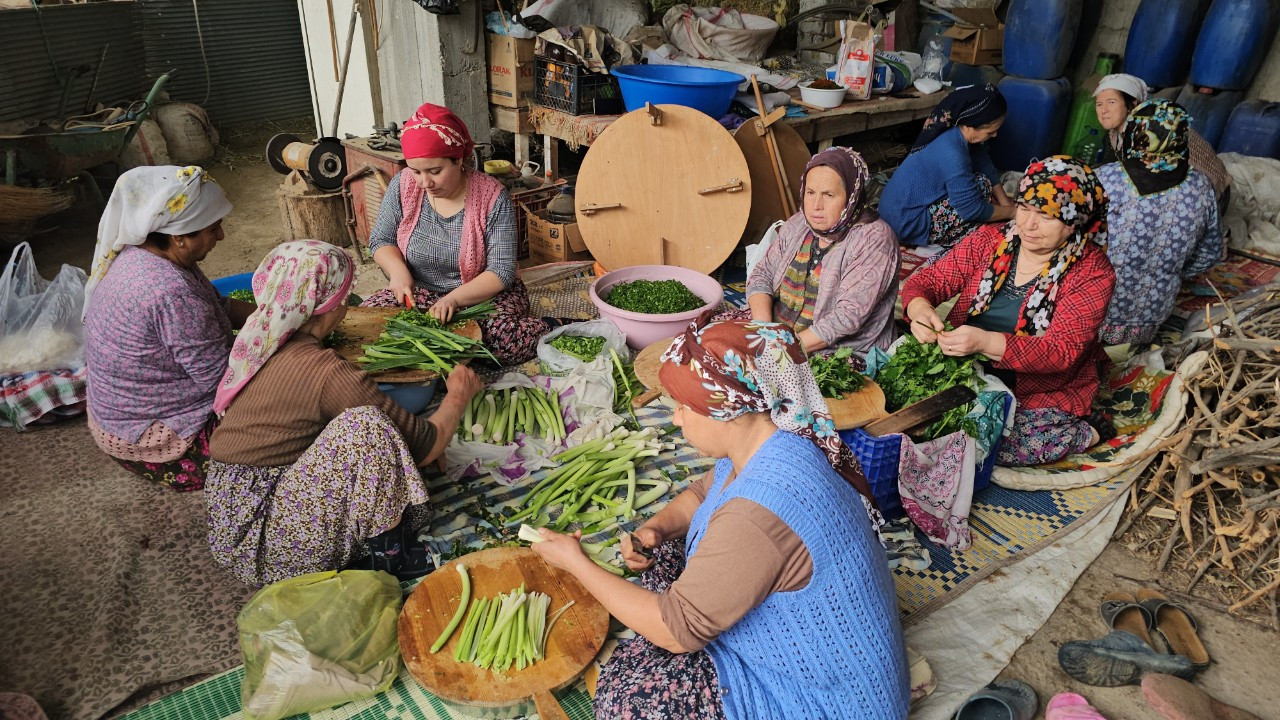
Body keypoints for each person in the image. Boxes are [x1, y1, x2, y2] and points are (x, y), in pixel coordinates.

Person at [532, 317, 908, 720]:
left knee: (628, 699)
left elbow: (675, 631)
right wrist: (654, 527)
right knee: (666, 559)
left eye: (684, 408)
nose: (676, 419)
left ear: (728, 411)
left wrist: (576, 562)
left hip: (826, 702)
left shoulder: (759, 513)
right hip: (818, 652)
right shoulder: (782, 437)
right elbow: (702, 493)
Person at [206, 240, 482, 586]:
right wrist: (458, 395)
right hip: (266, 547)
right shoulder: (324, 369)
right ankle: (391, 556)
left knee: (366, 426)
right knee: (366, 427)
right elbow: (426, 446)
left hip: (234, 520)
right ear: (330, 305)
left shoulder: (260, 342)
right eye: (345, 295)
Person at [902, 156, 1116, 467]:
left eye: (1045, 215)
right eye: (1025, 208)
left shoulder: (1093, 273)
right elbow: (930, 280)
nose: (1028, 225)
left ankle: (1085, 432)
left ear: (1074, 222)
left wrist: (985, 343)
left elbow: (1060, 350)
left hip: (1035, 383)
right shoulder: (992, 240)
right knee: (915, 419)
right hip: (962, 364)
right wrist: (919, 307)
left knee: (983, 443)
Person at [83, 165, 253, 491]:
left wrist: (282, 314)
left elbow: (223, 307)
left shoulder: (150, 254)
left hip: (118, 417)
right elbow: (226, 383)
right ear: (179, 236)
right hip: (153, 438)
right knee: (293, 424)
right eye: (213, 228)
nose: (221, 236)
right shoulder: (169, 291)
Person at [362, 103, 548, 365]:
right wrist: (398, 272)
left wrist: (453, 300)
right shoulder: (403, 185)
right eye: (416, 171)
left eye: (435, 171)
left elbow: (502, 270)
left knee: (500, 341)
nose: (425, 182)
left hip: (482, 297)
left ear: (458, 160)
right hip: (421, 293)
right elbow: (381, 240)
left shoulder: (492, 197)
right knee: (367, 326)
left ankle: (551, 326)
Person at [745, 147, 900, 356]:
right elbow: (762, 274)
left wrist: (782, 350)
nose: (816, 205)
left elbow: (847, 317)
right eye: (810, 193)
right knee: (708, 344)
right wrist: (763, 330)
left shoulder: (875, 239)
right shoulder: (800, 223)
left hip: (833, 350)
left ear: (851, 197)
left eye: (828, 195)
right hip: (777, 333)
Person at [1096, 99, 1224, 347]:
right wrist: (1167, 272)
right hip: (1150, 320)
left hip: (1095, 314)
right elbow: (1211, 252)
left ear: (1134, 134)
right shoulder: (1201, 186)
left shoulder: (1108, 178)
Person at [879, 84, 1016, 247]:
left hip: (894, 213)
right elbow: (971, 209)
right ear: (970, 126)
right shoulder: (952, 152)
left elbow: (984, 164)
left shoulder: (956, 131)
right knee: (981, 187)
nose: (995, 135)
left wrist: (1006, 203)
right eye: (990, 131)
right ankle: (934, 243)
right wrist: (1013, 212)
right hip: (906, 224)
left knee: (982, 180)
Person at [1093, 73, 1231, 212]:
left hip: (1208, 195)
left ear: (1133, 102)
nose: (1104, 110)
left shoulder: (1152, 129)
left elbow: (1159, 183)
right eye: (1099, 104)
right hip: (1173, 187)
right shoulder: (1116, 132)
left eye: (1111, 102)